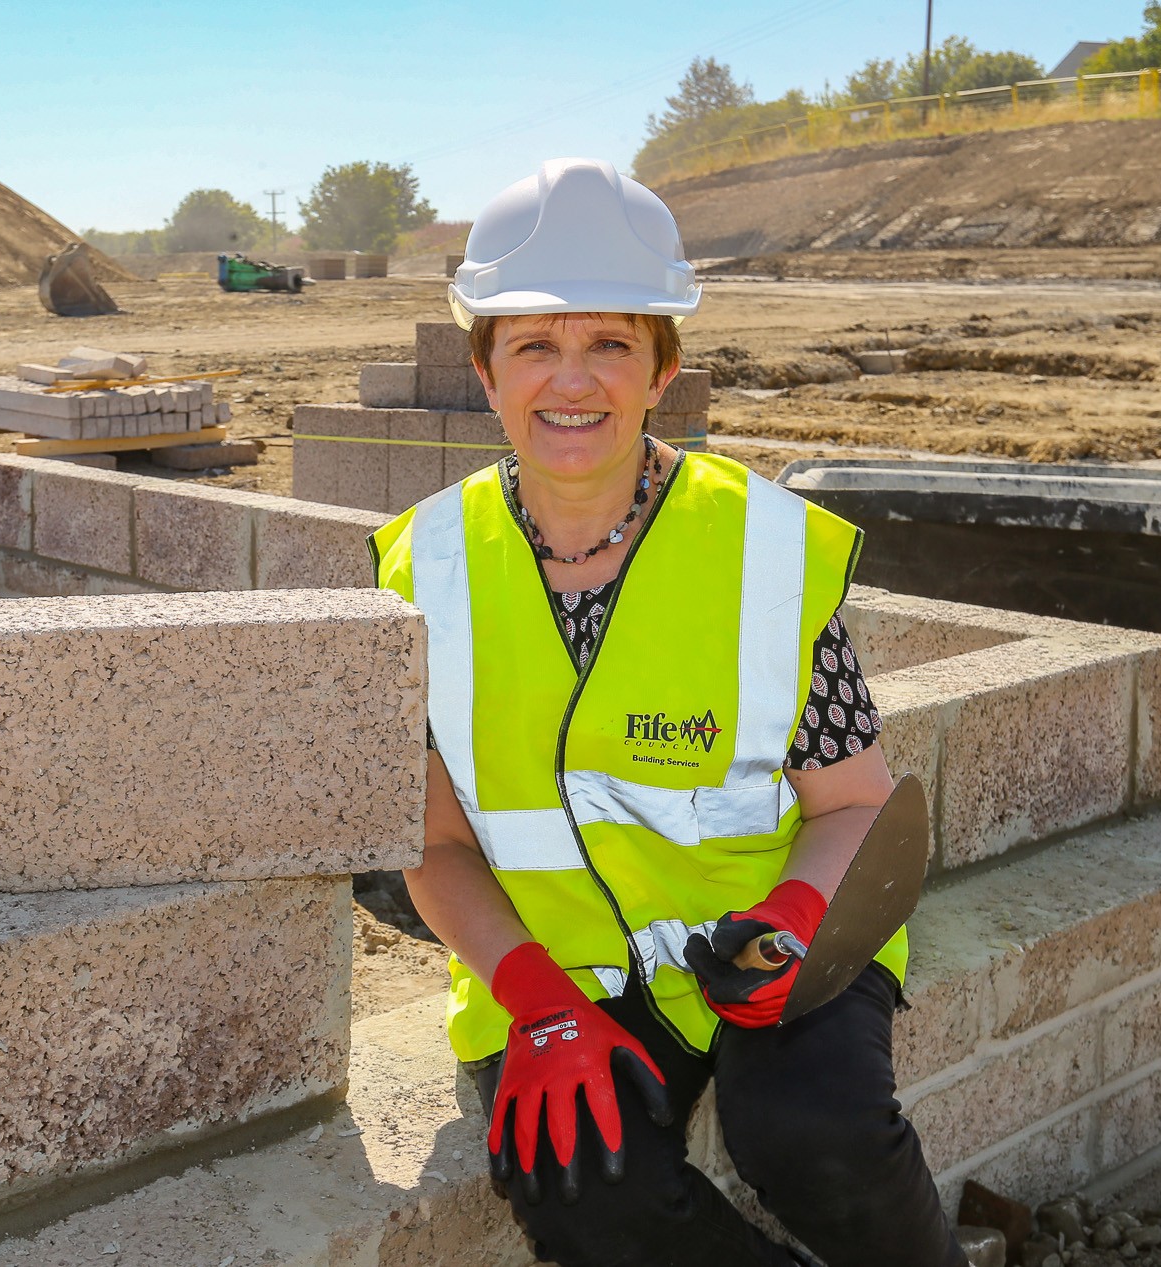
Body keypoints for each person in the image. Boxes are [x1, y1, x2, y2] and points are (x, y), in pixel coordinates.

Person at [369, 159, 966, 1267]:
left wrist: (790, 913)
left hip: (769, 936)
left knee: (812, 1133)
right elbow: (435, 843)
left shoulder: (757, 551)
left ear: (663, 369)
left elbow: (854, 804)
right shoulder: (421, 575)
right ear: (485, 371)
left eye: (610, 344)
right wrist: (537, 1003)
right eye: (534, 344)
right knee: (577, 1181)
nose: (571, 379)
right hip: (552, 965)